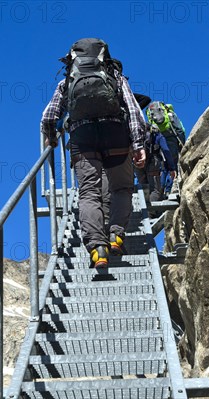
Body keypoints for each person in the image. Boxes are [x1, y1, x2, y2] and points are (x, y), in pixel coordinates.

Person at [41, 38, 146, 268]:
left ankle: (98, 249)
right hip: (115, 133)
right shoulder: (114, 76)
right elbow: (133, 109)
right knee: (121, 187)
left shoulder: (66, 82)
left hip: (82, 137)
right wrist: (138, 144)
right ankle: (116, 235)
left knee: (89, 192)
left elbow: (49, 116)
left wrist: (51, 137)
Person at [146, 101, 186, 196]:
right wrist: (182, 143)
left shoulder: (153, 116)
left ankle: (161, 188)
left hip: (159, 140)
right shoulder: (171, 114)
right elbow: (179, 129)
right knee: (172, 165)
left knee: (164, 166)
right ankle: (168, 189)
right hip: (171, 139)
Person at [135, 123, 176, 206]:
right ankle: (149, 214)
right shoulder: (157, 135)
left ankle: (144, 214)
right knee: (156, 190)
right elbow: (166, 150)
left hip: (138, 161)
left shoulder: (137, 134)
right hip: (153, 162)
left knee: (144, 189)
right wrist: (172, 168)